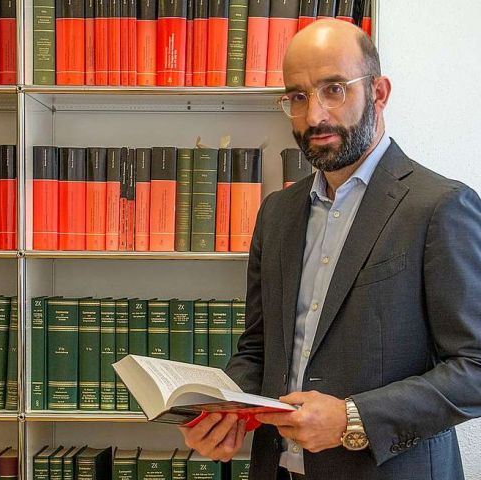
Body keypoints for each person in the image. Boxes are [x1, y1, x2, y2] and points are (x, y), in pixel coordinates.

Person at [179, 19, 481, 480]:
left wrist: (352, 419)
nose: (315, 115)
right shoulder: (277, 213)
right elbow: (258, 349)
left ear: (378, 92)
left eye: (334, 89)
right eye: (297, 97)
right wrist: (225, 414)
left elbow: (475, 367)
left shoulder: (440, 206)